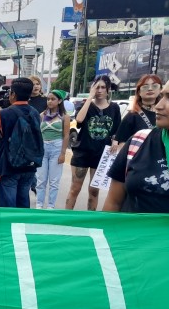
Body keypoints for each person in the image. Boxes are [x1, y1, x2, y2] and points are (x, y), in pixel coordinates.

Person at [103, 79, 169, 213]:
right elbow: (113, 203)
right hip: (130, 233)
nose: (159, 105)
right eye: (163, 96)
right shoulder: (137, 140)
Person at [65, 75, 122, 211]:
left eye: (103, 87)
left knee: (94, 191)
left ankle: (91, 218)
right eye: (97, 87)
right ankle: (66, 216)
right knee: (75, 188)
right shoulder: (87, 105)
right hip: (82, 152)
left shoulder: (114, 108)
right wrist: (89, 98)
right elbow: (79, 120)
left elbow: (117, 131)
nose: (100, 90)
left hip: (102, 155)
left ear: (108, 89)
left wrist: (115, 142)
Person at [0, 77, 43, 208]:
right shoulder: (35, 113)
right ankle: (22, 226)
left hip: (8, 165)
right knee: (23, 201)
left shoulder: (4, 113)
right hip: (29, 164)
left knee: (8, 204)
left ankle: (8, 228)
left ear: (13, 94)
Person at [34, 89, 71, 209]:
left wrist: (63, 153)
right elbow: (38, 134)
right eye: (48, 99)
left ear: (59, 101)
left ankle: (51, 205)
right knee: (41, 180)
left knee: (54, 181)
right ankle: (39, 204)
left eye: (53, 99)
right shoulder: (42, 115)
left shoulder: (65, 117)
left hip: (57, 147)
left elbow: (66, 136)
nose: (49, 101)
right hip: (43, 148)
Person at [113, 74, 163, 146]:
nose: (150, 89)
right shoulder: (131, 116)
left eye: (154, 86)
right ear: (139, 92)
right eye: (145, 87)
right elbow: (122, 145)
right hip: (138, 156)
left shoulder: (165, 114)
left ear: (160, 89)